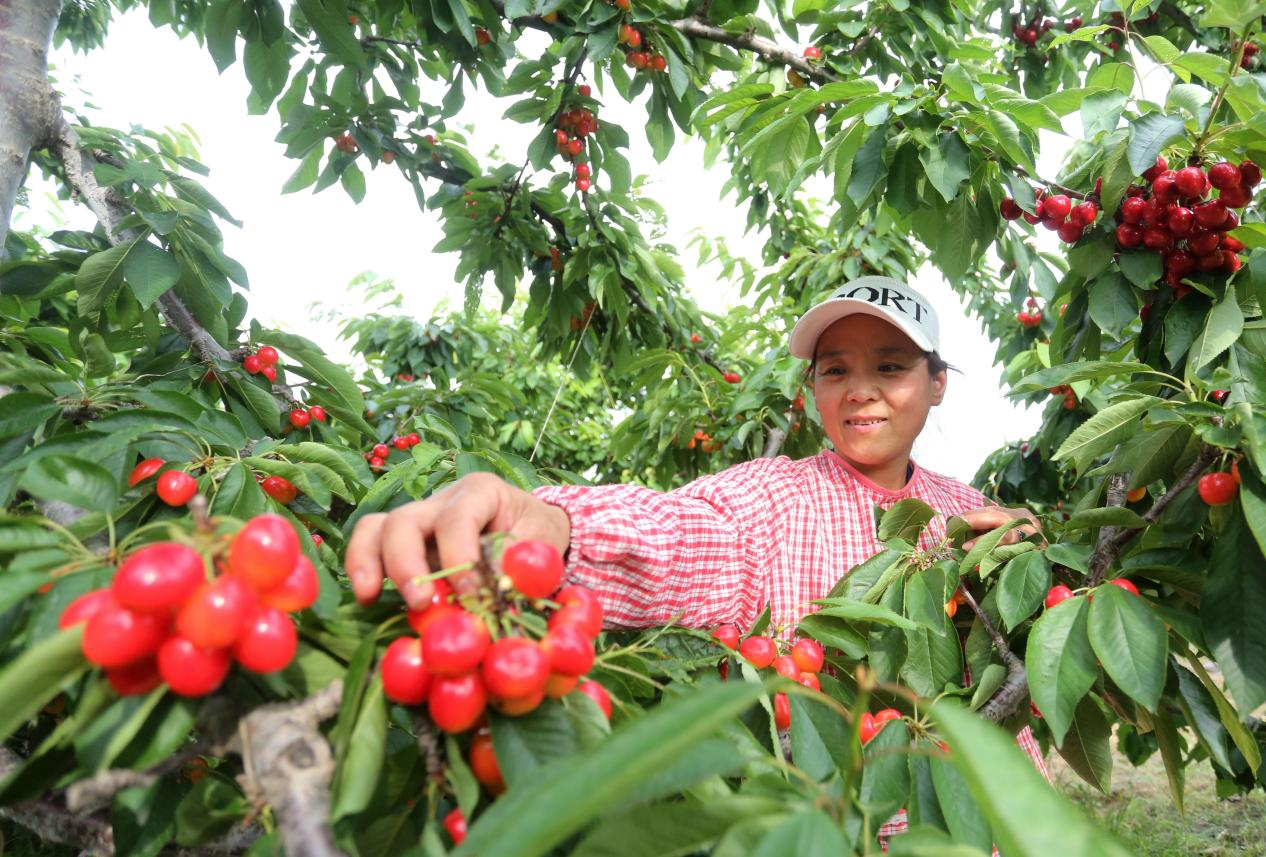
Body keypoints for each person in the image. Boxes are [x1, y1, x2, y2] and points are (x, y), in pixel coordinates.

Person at [345, 275, 1050, 843]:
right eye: (835, 370)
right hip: (834, 828)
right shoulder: (773, 496)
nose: (860, 388)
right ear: (812, 392)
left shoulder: (968, 508)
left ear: (936, 383)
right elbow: (684, 533)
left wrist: (1028, 555)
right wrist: (556, 522)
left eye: (890, 367)